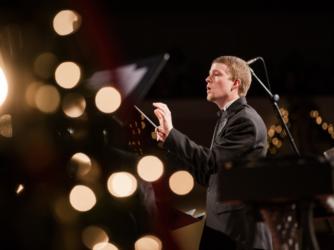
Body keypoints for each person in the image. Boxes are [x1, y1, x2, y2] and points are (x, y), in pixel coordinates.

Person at [153, 56, 272, 250]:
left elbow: (212, 162)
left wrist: (173, 135)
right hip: (221, 226)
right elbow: (209, 176)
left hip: (237, 233)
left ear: (235, 83)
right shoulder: (227, 118)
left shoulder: (246, 121)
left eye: (216, 74)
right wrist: (170, 142)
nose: (207, 79)